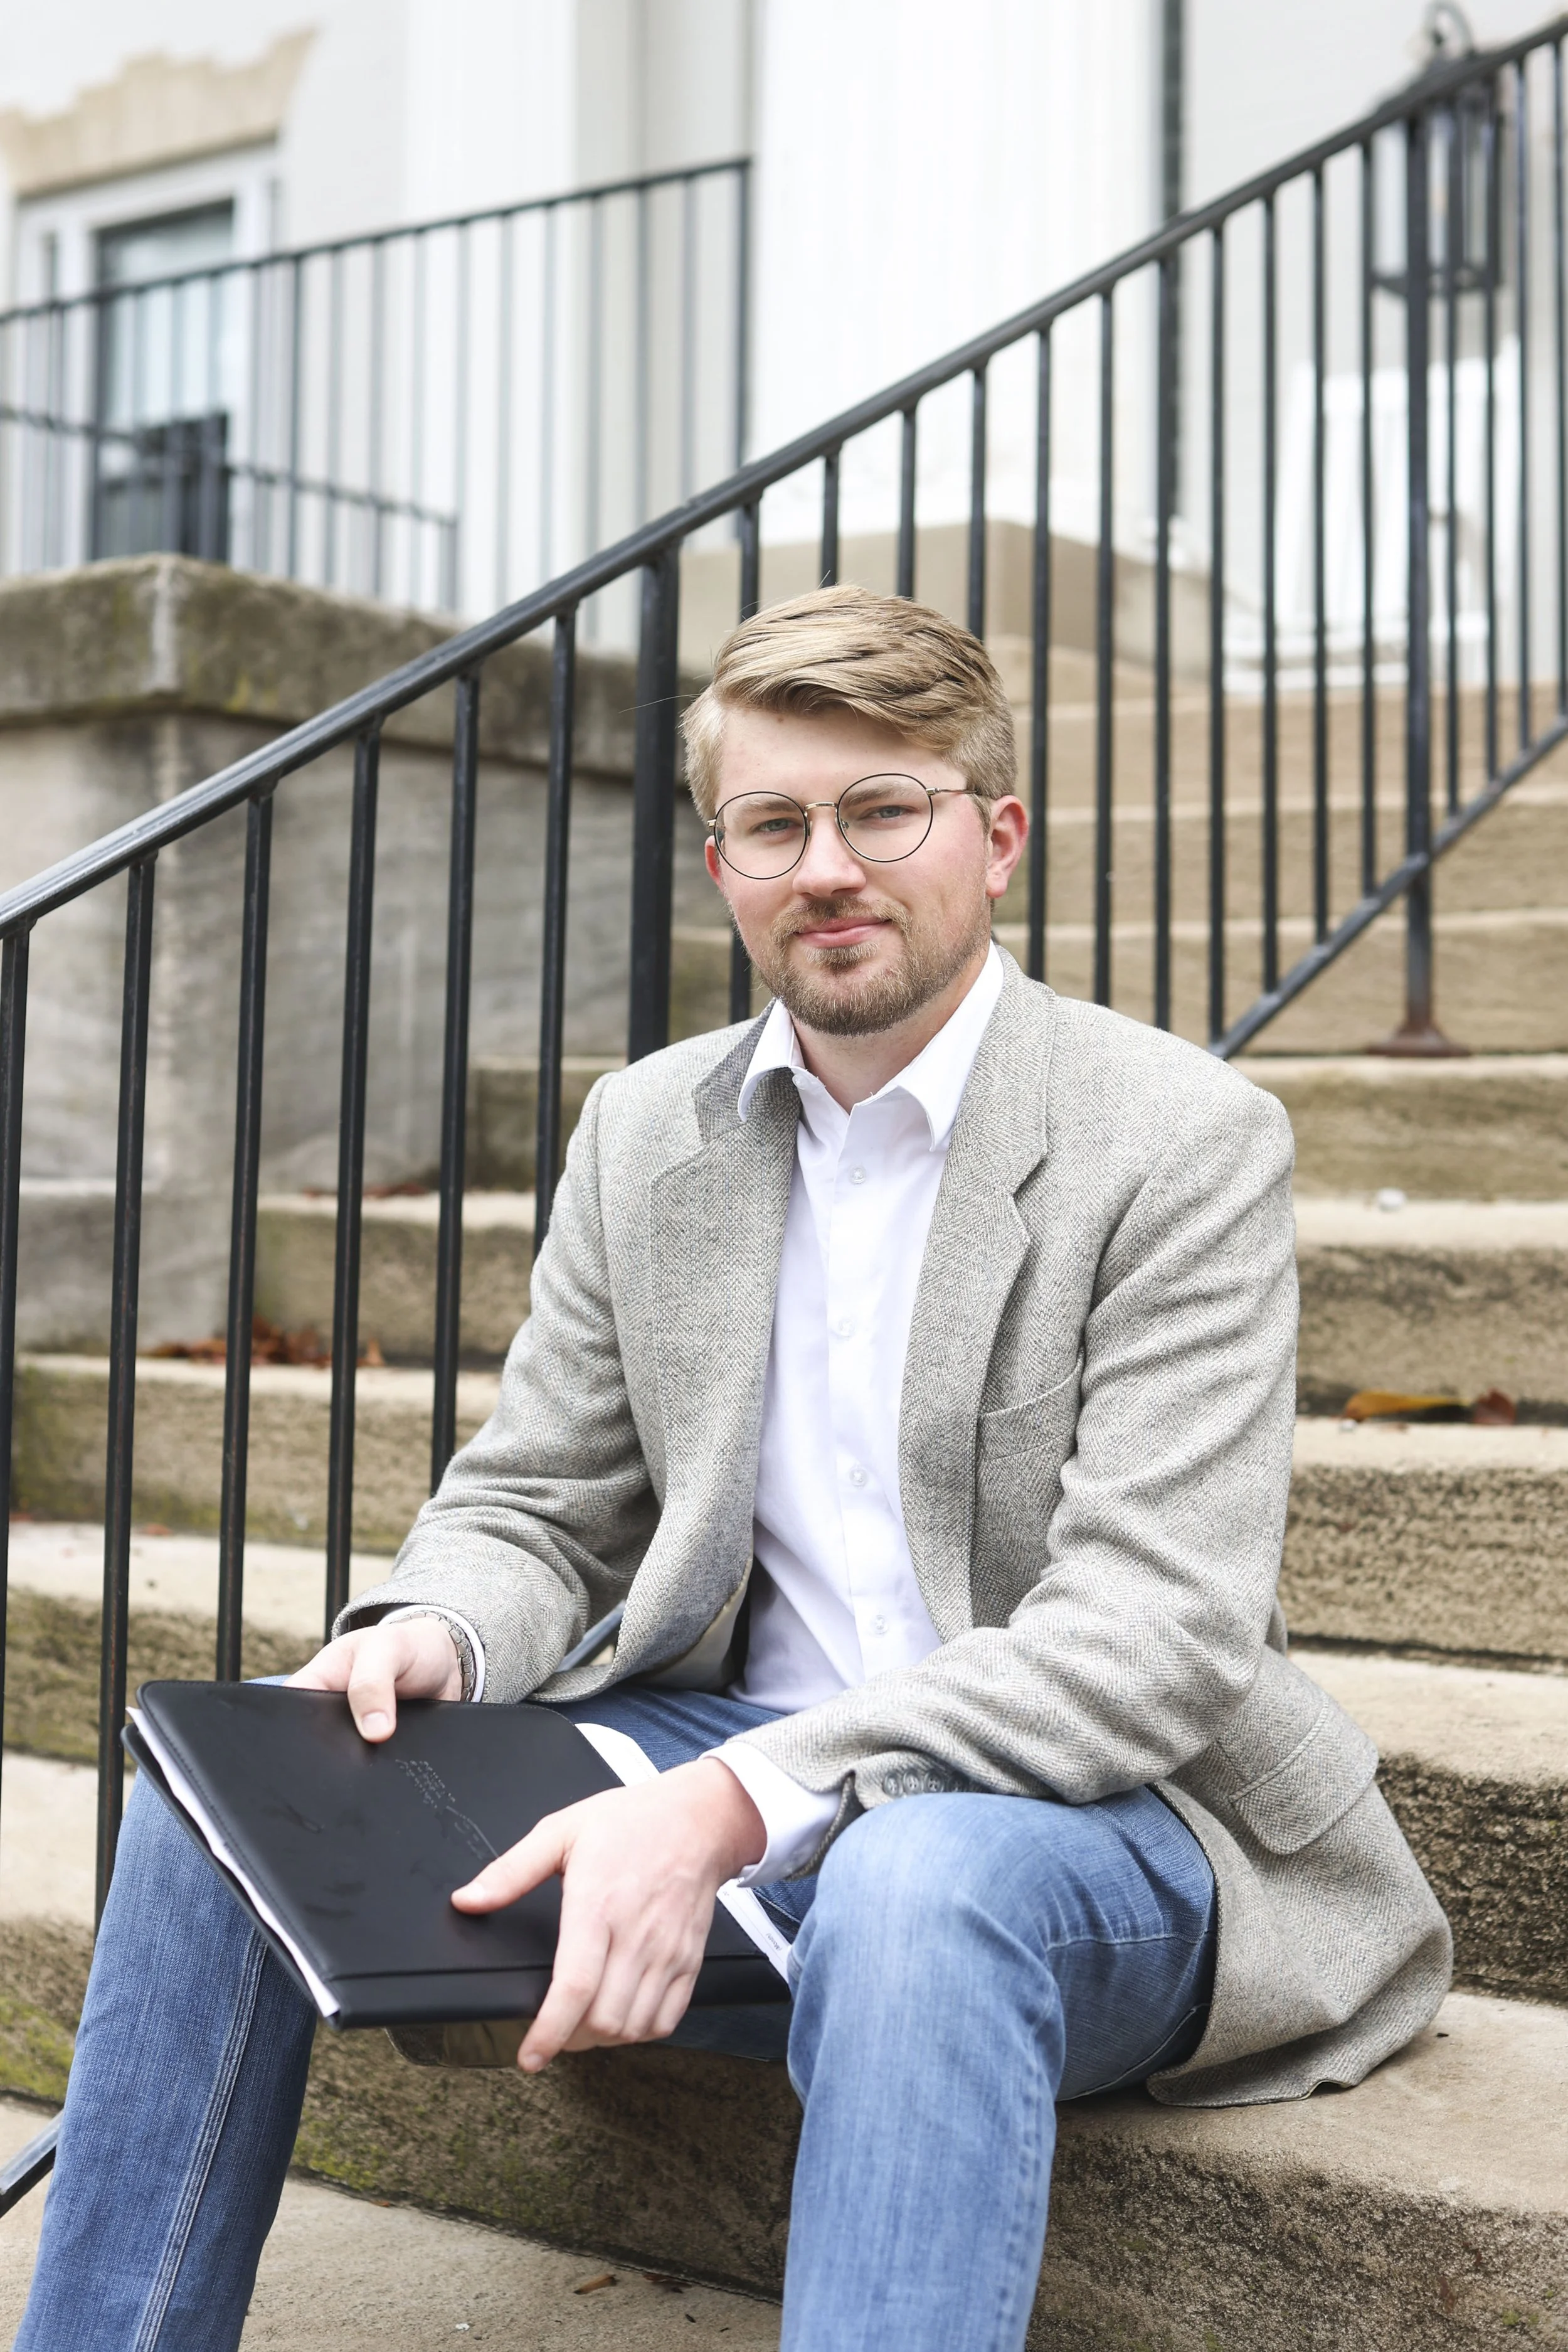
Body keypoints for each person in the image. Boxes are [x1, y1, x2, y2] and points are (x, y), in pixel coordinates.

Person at [18, 585, 1450, 2352]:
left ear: (995, 837)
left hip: (1095, 1826)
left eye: (881, 810)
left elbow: (1149, 1641)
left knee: (907, 1881)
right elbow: (538, 1499)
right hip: (733, 1761)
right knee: (225, 1776)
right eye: (774, 822)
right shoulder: (648, 1128)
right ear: (720, 865)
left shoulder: (1175, 1140)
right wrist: (436, 1634)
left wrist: (729, 1805)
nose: (825, 865)